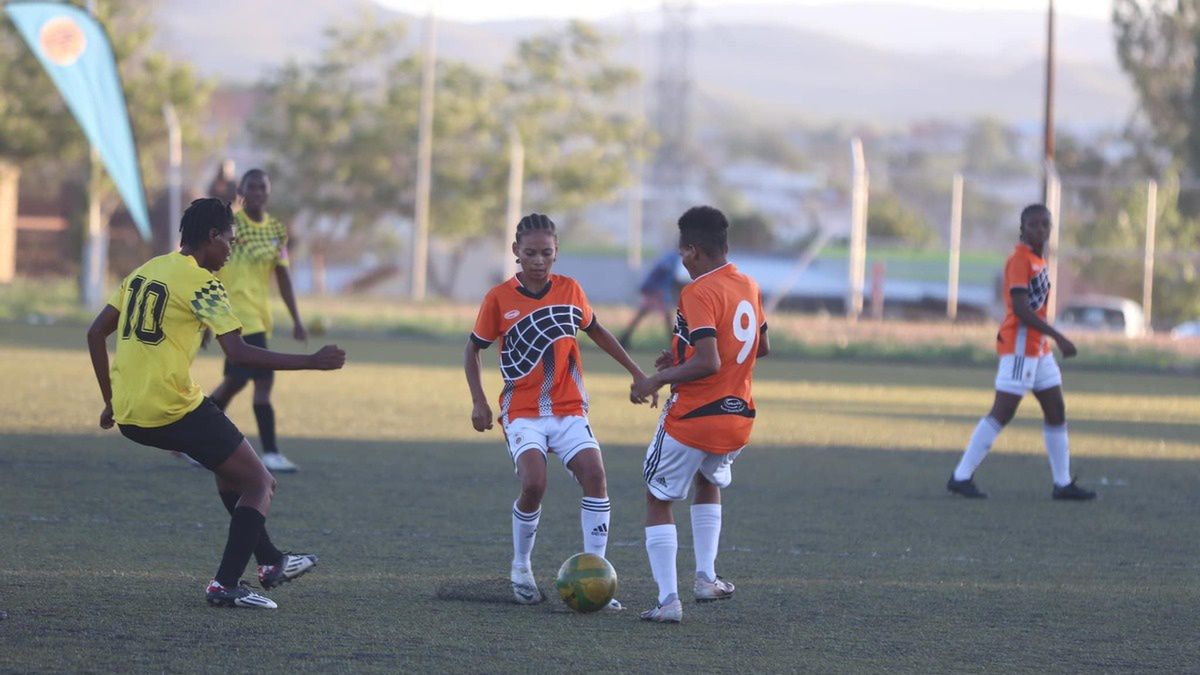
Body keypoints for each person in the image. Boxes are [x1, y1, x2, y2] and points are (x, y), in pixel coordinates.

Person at [86, 198, 345, 609]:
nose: (231, 248)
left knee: (230, 473)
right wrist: (312, 362)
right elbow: (239, 354)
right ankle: (225, 585)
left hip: (132, 414)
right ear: (212, 237)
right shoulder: (202, 283)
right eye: (229, 240)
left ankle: (273, 561)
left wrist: (109, 400)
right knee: (261, 483)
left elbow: (95, 333)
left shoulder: (147, 269)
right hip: (173, 407)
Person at [464, 213, 657, 608]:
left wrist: (637, 372)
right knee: (534, 483)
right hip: (522, 410)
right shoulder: (498, 298)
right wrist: (480, 401)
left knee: (595, 475)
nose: (538, 260)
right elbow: (473, 349)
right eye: (530, 253)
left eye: (546, 253)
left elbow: (598, 330)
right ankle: (520, 567)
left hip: (569, 410)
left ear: (556, 253)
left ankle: (597, 574)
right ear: (516, 252)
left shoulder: (570, 290)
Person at [631, 206, 770, 623]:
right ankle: (706, 579)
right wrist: (678, 355)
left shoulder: (697, 291)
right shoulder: (747, 284)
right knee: (708, 479)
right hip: (738, 416)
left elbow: (709, 362)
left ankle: (668, 600)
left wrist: (658, 379)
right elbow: (758, 348)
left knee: (658, 497)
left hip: (695, 415)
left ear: (692, 250)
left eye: (681, 251)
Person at [946, 204, 1095, 501]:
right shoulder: (1020, 260)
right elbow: (1020, 309)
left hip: (1038, 350)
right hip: (1019, 349)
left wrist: (1049, 340)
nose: (1041, 229)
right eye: (1034, 224)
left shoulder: (1039, 260)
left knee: (1056, 410)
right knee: (1002, 412)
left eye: (1045, 224)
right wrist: (1059, 337)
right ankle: (960, 476)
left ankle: (1062, 484)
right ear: (1023, 228)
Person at [207, 169, 307, 473]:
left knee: (235, 383)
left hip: (260, 318)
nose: (258, 192)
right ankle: (271, 452)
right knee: (259, 381)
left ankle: (195, 441)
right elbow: (209, 265)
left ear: (269, 191)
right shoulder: (230, 225)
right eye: (252, 187)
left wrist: (296, 319)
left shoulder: (276, 230)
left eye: (263, 187)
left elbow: (283, 276)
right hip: (234, 314)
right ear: (241, 189)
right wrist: (205, 316)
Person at [618, 250, 680, 348]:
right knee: (666, 317)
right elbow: (662, 269)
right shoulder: (672, 257)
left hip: (657, 290)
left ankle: (623, 339)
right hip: (656, 291)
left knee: (643, 314)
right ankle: (675, 345)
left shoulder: (674, 257)